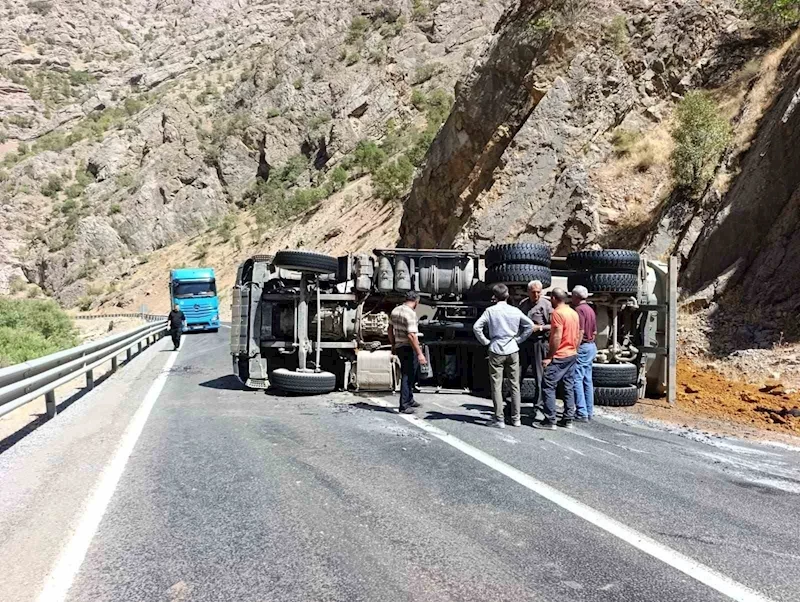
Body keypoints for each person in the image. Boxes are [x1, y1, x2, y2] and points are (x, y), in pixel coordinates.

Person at [473, 283, 534, 428]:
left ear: (494, 296)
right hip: (512, 349)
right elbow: (530, 326)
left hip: (496, 349)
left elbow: (477, 327)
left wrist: (486, 341)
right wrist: (518, 339)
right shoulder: (515, 310)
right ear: (507, 295)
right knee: (515, 384)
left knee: (496, 385)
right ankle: (516, 418)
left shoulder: (490, 311)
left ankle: (499, 419)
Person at [535, 288, 580, 430]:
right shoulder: (573, 312)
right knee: (568, 386)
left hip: (560, 355)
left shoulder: (557, 313)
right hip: (572, 354)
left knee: (548, 385)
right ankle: (568, 419)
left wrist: (549, 357)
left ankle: (550, 420)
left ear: (554, 298)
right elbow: (579, 334)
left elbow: (556, 336)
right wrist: (574, 349)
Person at [389, 291, 427, 414]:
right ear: (416, 301)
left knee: (410, 373)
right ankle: (404, 405)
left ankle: (410, 399)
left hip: (400, 346)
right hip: (408, 347)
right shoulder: (410, 314)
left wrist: (393, 344)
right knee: (408, 374)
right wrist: (420, 353)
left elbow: (389, 329)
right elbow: (411, 335)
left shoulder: (395, 310)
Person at [518, 280, 553, 412]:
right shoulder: (523, 304)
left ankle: (538, 406)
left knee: (539, 376)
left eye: (539, 292)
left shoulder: (546, 305)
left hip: (539, 342)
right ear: (528, 292)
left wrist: (540, 328)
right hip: (524, 342)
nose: (536, 295)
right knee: (518, 373)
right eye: (533, 292)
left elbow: (553, 325)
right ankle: (514, 404)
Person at [572, 285, 597, 422]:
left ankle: (581, 412)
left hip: (583, 347)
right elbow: (594, 331)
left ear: (576, 297)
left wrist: (575, 348)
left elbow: (580, 331)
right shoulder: (590, 310)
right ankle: (589, 410)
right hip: (592, 346)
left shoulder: (579, 310)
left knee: (577, 378)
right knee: (587, 380)